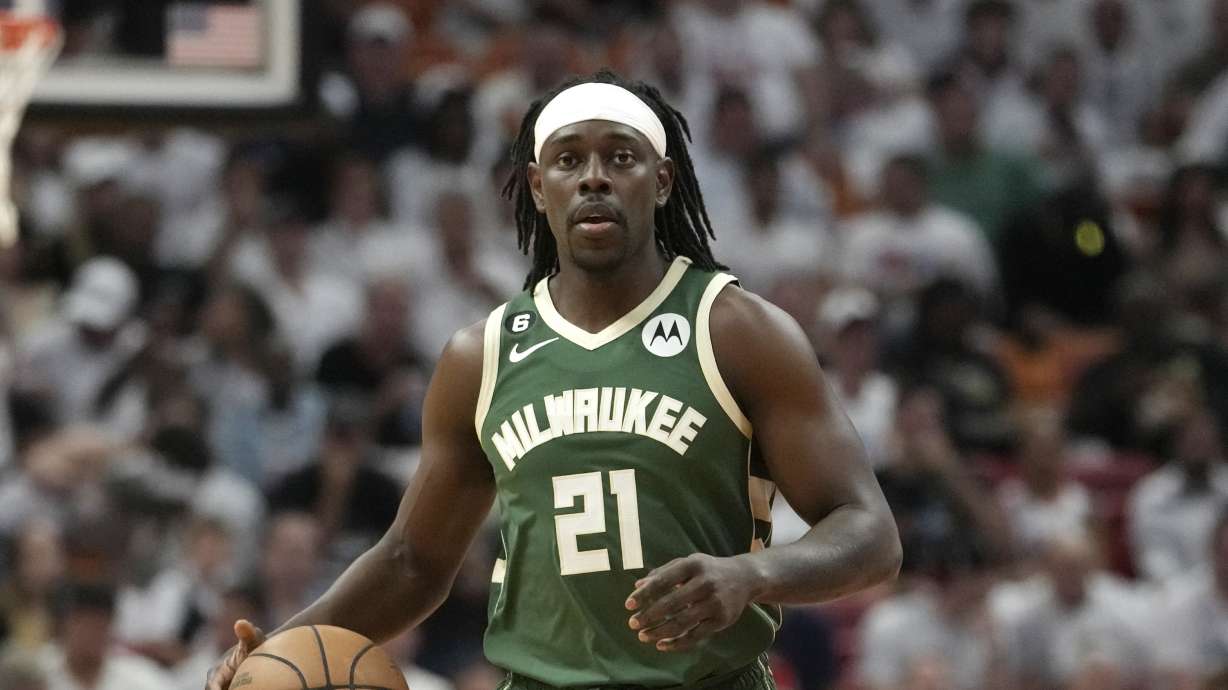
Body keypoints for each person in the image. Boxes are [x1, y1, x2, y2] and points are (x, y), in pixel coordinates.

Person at [205, 69, 900, 690]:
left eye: (619, 157)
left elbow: (871, 534)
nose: (593, 176)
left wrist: (754, 576)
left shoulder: (737, 330)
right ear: (538, 188)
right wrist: (278, 646)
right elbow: (413, 561)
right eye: (569, 160)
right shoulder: (481, 356)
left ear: (661, 181)